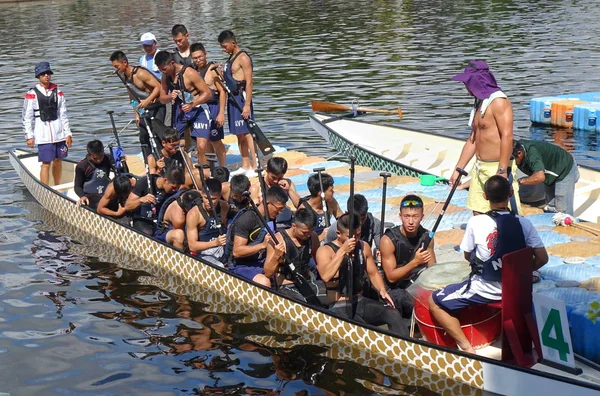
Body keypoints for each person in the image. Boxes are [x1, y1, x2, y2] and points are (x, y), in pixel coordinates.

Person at [429, 176, 548, 353]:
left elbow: (468, 256)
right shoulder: (524, 223)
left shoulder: (476, 222)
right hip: (517, 291)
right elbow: (542, 258)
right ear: (510, 193)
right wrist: (520, 272)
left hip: (487, 290)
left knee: (434, 302)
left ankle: (466, 347)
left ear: (485, 196)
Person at [315, 213, 407, 337]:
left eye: (358, 235)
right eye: (350, 237)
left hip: (360, 301)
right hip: (339, 305)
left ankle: (403, 345)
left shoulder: (363, 246)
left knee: (392, 313)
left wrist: (382, 290)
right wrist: (342, 251)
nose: (355, 239)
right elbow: (325, 276)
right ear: (338, 234)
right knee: (364, 330)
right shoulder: (325, 251)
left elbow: (373, 273)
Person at [449, 60, 521, 215]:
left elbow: (507, 136)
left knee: (503, 215)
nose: (466, 87)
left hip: (497, 167)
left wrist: (502, 170)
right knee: (478, 213)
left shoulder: (499, 102)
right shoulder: (479, 103)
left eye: (467, 82)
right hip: (479, 167)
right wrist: (458, 170)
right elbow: (472, 140)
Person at [380, 195, 436, 321]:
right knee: (403, 298)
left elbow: (433, 271)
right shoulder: (388, 240)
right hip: (395, 289)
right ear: (400, 216)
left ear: (422, 217)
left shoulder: (427, 237)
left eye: (415, 217)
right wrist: (415, 262)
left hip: (417, 285)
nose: (411, 222)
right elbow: (391, 277)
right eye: (407, 216)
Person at [155, 51, 213, 165]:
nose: (163, 72)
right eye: (161, 69)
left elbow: (207, 93)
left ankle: (205, 173)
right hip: (180, 111)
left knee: (201, 147)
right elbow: (162, 98)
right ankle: (186, 170)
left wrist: (193, 104)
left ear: (172, 63)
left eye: (164, 69)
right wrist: (170, 96)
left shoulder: (189, 73)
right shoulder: (165, 76)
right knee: (178, 147)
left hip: (198, 110)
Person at [225, 186, 288, 287]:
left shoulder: (271, 217)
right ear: (268, 203)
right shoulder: (247, 219)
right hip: (240, 265)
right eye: (279, 209)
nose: (280, 213)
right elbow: (237, 252)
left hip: (259, 260)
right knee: (264, 282)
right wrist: (262, 245)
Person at [23, 61, 72, 185]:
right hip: (43, 134)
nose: (46, 76)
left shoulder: (58, 92)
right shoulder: (31, 94)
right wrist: (29, 136)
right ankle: (45, 188)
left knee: (58, 160)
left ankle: (58, 186)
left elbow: (63, 114)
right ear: (38, 76)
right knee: (46, 163)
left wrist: (68, 134)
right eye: (43, 74)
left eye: (48, 73)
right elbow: (27, 117)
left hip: (58, 133)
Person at [110, 50, 165, 160]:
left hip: (157, 106)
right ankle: (148, 162)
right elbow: (132, 97)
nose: (115, 70)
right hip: (144, 108)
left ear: (124, 62)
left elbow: (158, 87)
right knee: (143, 136)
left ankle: (162, 160)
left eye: (117, 66)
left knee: (158, 135)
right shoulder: (125, 77)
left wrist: (147, 101)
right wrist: (136, 114)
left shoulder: (140, 73)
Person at [264, 208, 325, 306]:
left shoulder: (312, 237)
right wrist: (276, 256)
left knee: (329, 297)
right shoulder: (277, 240)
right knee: (305, 304)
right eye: (304, 232)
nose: (307, 235)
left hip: (307, 282)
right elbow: (268, 273)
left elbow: (318, 261)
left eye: (310, 232)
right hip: (287, 285)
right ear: (294, 226)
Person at [218, 30, 257, 177]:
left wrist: (247, 105)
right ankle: (245, 164)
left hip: (242, 98)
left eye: (225, 46)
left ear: (233, 43)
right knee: (239, 134)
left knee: (247, 133)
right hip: (232, 99)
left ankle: (255, 165)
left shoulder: (243, 58)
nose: (223, 49)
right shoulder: (230, 58)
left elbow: (249, 82)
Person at [513, 140, 580, 216]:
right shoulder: (517, 148)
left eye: (512, 159)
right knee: (551, 206)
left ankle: (566, 224)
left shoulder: (532, 154)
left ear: (519, 154)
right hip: (549, 171)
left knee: (562, 210)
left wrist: (519, 182)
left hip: (564, 168)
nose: (512, 162)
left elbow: (540, 177)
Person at [191, 42, 227, 167]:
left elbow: (223, 91)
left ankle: (223, 168)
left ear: (205, 54)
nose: (198, 60)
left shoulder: (212, 70)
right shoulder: (192, 70)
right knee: (204, 142)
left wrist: (221, 113)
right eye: (195, 58)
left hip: (213, 106)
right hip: (200, 108)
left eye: (200, 57)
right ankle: (210, 168)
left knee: (216, 140)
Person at [126, 166, 185, 235]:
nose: (175, 190)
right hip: (143, 219)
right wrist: (141, 200)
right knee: (148, 234)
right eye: (173, 187)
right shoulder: (145, 182)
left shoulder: (173, 192)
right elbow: (127, 206)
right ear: (165, 180)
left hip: (160, 223)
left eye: (177, 188)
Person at [187, 178, 229, 266]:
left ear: (219, 196)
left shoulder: (224, 206)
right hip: (203, 253)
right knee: (220, 267)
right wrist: (215, 243)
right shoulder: (194, 214)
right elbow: (192, 246)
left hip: (222, 248)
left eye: (213, 199)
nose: (209, 202)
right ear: (202, 194)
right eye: (206, 198)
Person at [250, 157, 300, 230]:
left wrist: (289, 190)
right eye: (273, 177)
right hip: (266, 225)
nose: (276, 181)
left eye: (279, 178)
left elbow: (299, 205)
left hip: (286, 222)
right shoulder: (256, 188)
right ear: (267, 171)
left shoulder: (288, 183)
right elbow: (253, 215)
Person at [296, 172, 343, 242]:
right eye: (331, 190)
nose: (333, 192)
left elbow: (341, 219)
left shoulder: (331, 202)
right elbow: (301, 239)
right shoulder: (304, 210)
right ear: (321, 194)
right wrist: (320, 237)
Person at [74, 140, 112, 210]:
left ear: (103, 152)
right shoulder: (82, 166)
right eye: (95, 158)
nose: (98, 160)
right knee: (100, 205)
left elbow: (121, 173)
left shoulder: (108, 159)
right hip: (91, 195)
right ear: (89, 154)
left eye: (101, 157)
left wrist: (121, 161)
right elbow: (77, 186)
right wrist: (82, 196)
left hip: (106, 193)